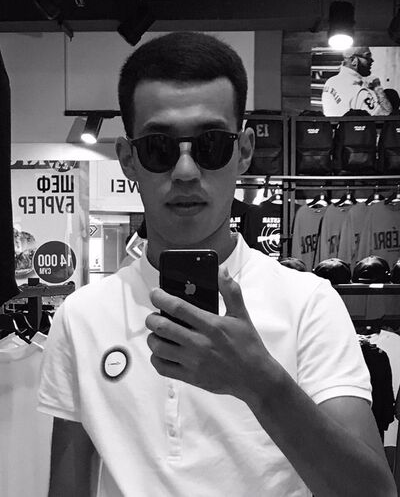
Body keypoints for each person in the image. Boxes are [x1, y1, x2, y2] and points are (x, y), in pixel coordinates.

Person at [38, 32, 396, 497]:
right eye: (159, 148)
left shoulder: (309, 303)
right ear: (128, 159)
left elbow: (374, 493)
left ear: (244, 150)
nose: (185, 171)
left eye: (211, 144)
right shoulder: (81, 315)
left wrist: (261, 385)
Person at [322, 46, 392, 116]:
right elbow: (385, 115)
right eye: (367, 57)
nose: (372, 60)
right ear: (353, 60)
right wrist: (378, 87)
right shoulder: (359, 91)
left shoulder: (330, 82)